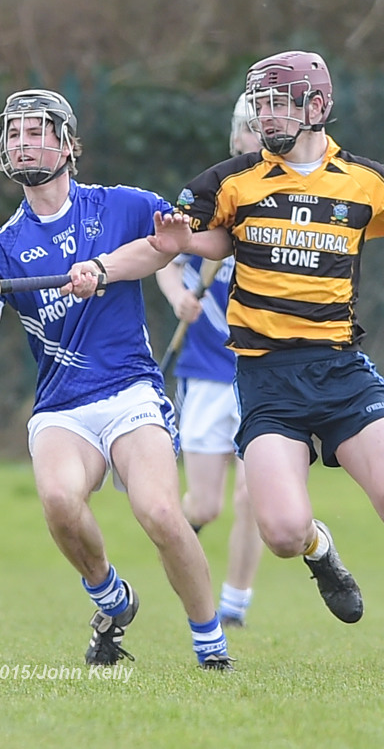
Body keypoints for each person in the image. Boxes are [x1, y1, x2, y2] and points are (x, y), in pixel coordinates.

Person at [69, 51, 384, 676]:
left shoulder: (365, 182)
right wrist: (104, 267)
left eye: (278, 103)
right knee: (283, 532)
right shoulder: (231, 182)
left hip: (342, 371)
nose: (266, 116)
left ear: (316, 107)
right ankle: (321, 548)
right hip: (267, 381)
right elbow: (172, 245)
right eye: (259, 104)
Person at [0, 89, 232, 671]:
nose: (22, 143)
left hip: (132, 390)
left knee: (161, 513)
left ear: (67, 144)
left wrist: (121, 263)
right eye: (13, 134)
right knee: (60, 502)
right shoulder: (0, 249)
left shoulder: (122, 206)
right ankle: (110, 595)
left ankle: (210, 640)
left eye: (35, 132)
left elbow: (183, 238)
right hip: (62, 405)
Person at [154, 94, 264, 628]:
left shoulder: (287, 200)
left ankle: (235, 605)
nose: (253, 137)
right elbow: (165, 259)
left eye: (260, 128)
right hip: (205, 371)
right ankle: (177, 554)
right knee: (203, 505)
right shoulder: (215, 195)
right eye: (246, 128)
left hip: (260, 372)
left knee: (254, 496)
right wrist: (178, 297)